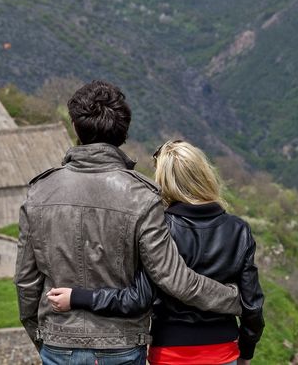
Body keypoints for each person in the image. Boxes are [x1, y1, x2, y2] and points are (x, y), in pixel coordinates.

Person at [14, 81, 242, 365]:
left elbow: (26, 281)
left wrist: (42, 335)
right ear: (124, 131)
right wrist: (236, 300)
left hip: (59, 342)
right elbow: (174, 278)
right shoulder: (143, 196)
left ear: (75, 127)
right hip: (120, 345)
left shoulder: (40, 191)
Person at [46, 140, 265, 365]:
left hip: (170, 350)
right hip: (223, 350)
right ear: (204, 174)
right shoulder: (239, 230)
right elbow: (253, 306)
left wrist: (79, 297)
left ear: (165, 182)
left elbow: (137, 299)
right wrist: (246, 353)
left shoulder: (161, 227)